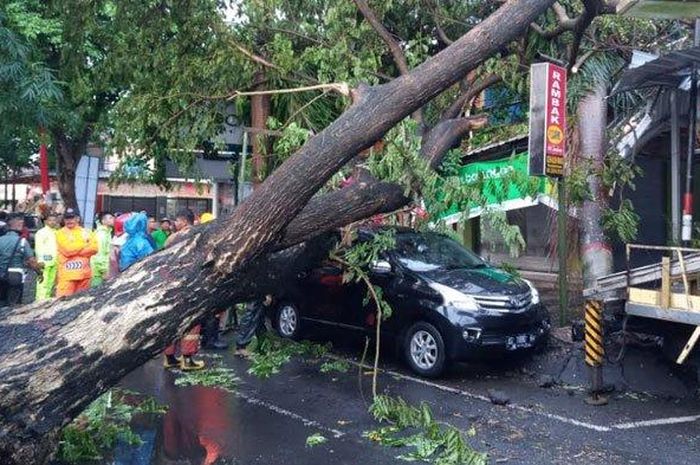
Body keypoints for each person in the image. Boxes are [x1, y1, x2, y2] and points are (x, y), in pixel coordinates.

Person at [163, 208, 205, 370]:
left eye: (177, 220)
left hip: (170, 284)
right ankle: (187, 359)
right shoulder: (194, 235)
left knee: (172, 321)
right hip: (187, 283)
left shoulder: (171, 238)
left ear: (184, 221)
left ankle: (169, 357)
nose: (175, 223)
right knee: (191, 321)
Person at [0, 213, 43, 307]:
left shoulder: (1, 240)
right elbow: (32, 261)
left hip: (1, 275)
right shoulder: (22, 241)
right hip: (16, 276)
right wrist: (39, 272)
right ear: (18, 226)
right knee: (13, 306)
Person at [55, 208, 98, 297]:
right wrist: (85, 243)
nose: (69, 220)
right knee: (62, 304)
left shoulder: (86, 232)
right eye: (67, 218)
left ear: (77, 219)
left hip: (84, 276)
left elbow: (94, 248)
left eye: (72, 218)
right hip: (67, 276)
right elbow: (68, 250)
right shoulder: (60, 233)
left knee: (81, 304)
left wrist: (75, 248)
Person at [35, 213, 59, 300]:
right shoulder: (41, 232)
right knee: (42, 283)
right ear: (46, 221)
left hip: (55, 261)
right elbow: (38, 247)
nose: (52, 222)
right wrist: (39, 260)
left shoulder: (56, 232)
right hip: (44, 262)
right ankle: (39, 300)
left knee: (50, 283)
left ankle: (46, 300)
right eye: (50, 220)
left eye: (54, 220)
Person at [90, 212, 114, 287]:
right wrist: (106, 269)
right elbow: (99, 254)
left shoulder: (107, 232)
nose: (113, 219)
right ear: (103, 221)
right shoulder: (101, 234)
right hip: (98, 270)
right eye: (110, 218)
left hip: (100, 268)